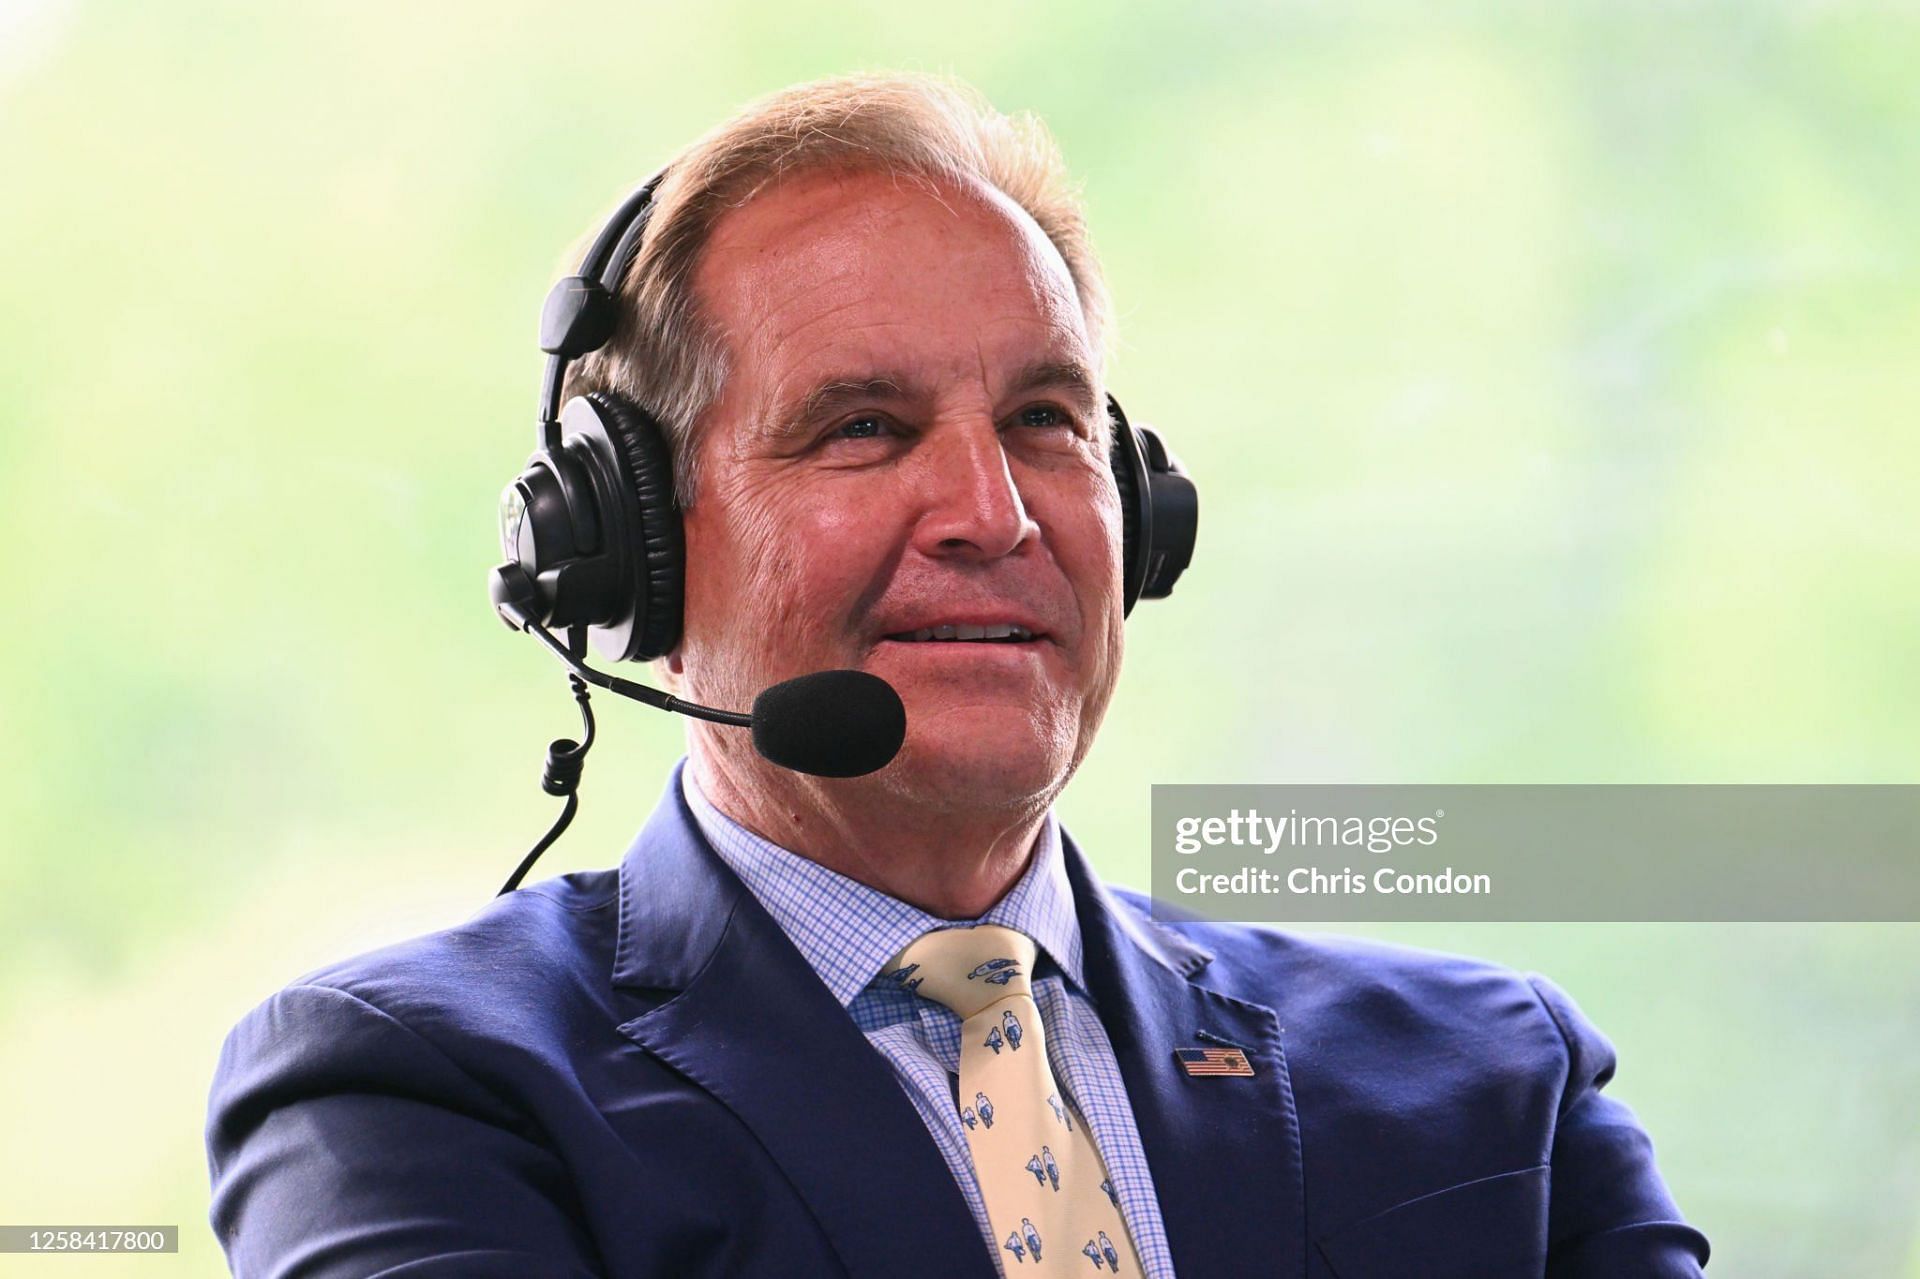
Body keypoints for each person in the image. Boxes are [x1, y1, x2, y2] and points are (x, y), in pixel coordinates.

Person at [205, 73, 1711, 1277]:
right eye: (862, 428)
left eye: (1048, 421)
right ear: (635, 554)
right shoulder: (409, 1100)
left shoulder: (1500, 1084)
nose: (994, 516)